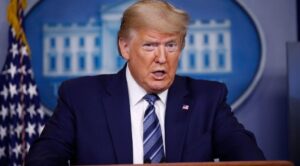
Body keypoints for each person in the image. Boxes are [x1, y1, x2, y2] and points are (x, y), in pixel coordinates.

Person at [26, 0, 265, 165]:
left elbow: (252, 161)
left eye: (171, 45)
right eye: (150, 45)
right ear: (125, 47)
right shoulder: (80, 98)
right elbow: (42, 160)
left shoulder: (208, 99)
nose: (162, 58)